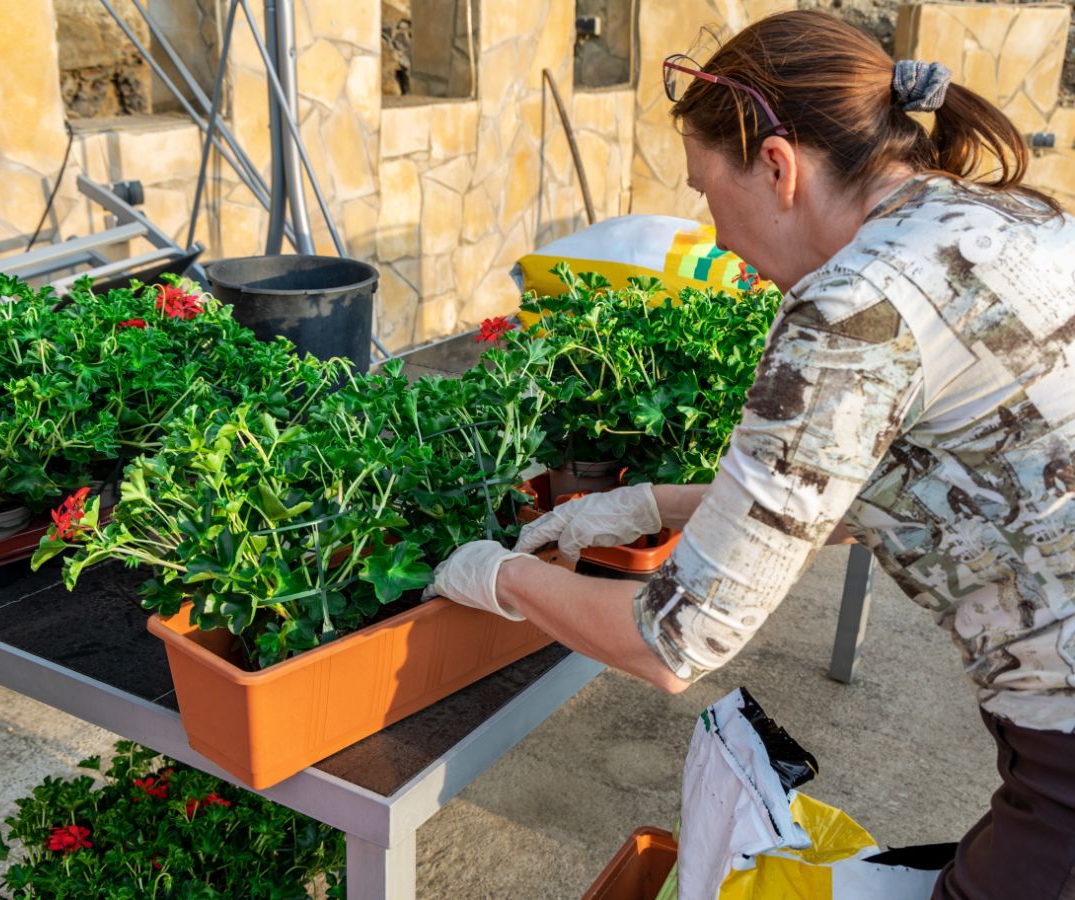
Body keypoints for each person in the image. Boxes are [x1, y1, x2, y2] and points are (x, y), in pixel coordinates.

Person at [426, 10, 1075, 899]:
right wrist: (650, 503)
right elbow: (913, 496)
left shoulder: (855, 308)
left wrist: (500, 578)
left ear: (777, 167)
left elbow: (674, 640)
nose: (717, 237)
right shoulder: (998, 220)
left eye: (702, 189)